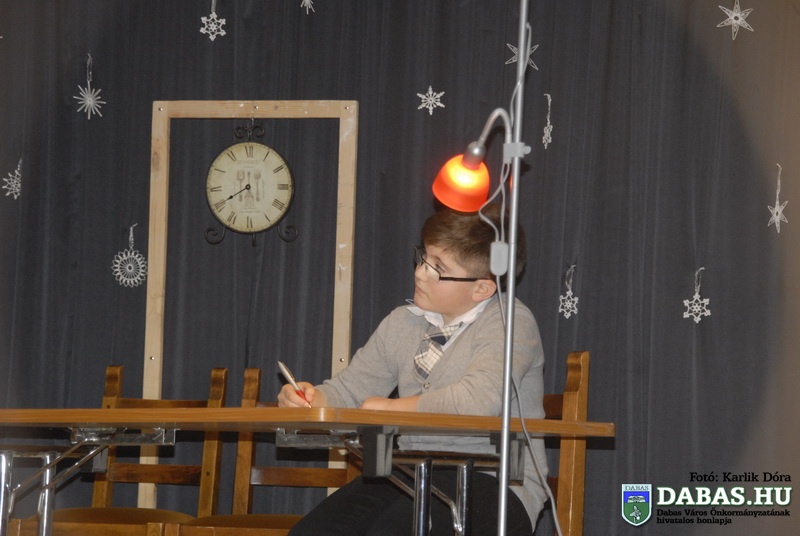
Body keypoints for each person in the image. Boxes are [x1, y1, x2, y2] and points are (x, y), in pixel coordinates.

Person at [278, 203, 548, 535]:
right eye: (423, 258)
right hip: (412, 473)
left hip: (497, 482)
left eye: (438, 268)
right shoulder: (402, 323)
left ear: (482, 288)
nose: (420, 273)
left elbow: (478, 400)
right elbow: (349, 391)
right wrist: (310, 399)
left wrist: (390, 409)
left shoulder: (510, 322)